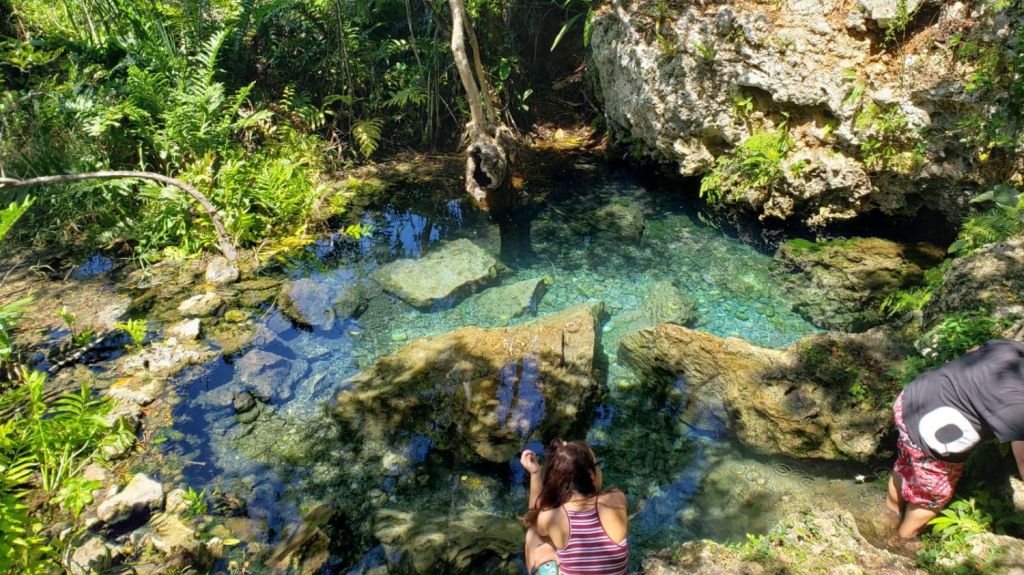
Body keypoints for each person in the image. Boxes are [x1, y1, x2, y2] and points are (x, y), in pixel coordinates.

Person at [885, 338, 1024, 545]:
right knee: (933, 495)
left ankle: (888, 514)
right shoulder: (1018, 405)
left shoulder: (1012, 350)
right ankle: (901, 541)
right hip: (932, 433)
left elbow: (973, 351)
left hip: (911, 399)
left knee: (905, 465)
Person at [519, 439, 628, 575]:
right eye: (598, 464)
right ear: (591, 474)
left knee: (533, 535)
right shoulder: (616, 499)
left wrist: (535, 474)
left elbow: (534, 517)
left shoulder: (552, 517)